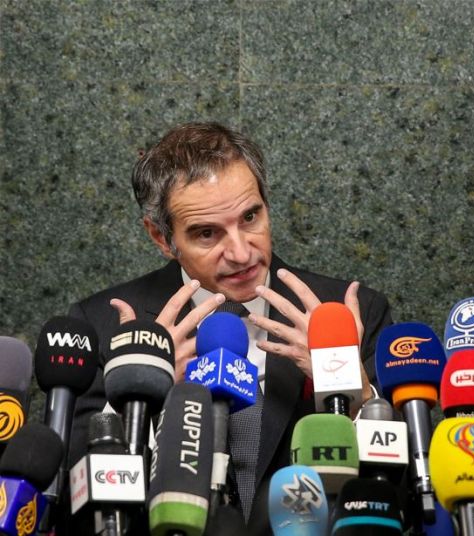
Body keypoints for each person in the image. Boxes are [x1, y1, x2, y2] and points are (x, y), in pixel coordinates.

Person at [66, 122, 392, 533]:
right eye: (207, 233)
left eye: (250, 217)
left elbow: (401, 496)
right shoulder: (101, 325)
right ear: (161, 238)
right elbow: (71, 510)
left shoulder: (348, 312)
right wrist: (139, 400)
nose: (241, 253)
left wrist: (357, 397)